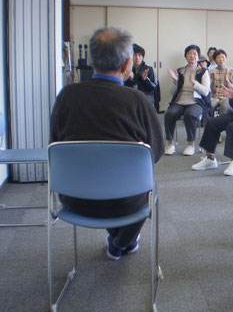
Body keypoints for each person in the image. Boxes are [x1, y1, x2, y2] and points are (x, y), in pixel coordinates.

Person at [50, 27, 164, 261]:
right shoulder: (138, 101)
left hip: (73, 198)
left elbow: (55, 144)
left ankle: (122, 241)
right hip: (126, 202)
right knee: (147, 186)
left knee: (122, 184)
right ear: (126, 65)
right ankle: (122, 242)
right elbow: (157, 152)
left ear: (92, 60)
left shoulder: (66, 97)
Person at [164, 45, 211, 156]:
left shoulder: (203, 72)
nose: (192, 56)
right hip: (181, 101)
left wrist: (194, 82)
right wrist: (175, 82)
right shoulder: (180, 71)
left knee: (190, 114)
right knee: (169, 114)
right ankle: (170, 143)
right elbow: (173, 92)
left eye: (195, 54)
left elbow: (205, 92)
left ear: (198, 56)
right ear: (185, 56)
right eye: (189, 53)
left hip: (196, 101)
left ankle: (191, 144)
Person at [124, 43, 157, 108]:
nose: (137, 58)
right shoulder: (127, 68)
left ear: (143, 57)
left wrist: (144, 79)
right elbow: (124, 85)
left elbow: (152, 87)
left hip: (146, 95)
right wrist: (131, 79)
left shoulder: (149, 69)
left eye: (139, 55)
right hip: (130, 95)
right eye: (135, 55)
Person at [209, 49, 233, 115]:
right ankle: (210, 123)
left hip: (226, 96)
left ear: (226, 58)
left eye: (223, 57)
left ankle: (221, 123)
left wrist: (227, 79)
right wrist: (213, 80)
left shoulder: (232, 71)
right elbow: (210, 89)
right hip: (214, 96)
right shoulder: (211, 71)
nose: (221, 59)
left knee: (225, 106)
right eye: (218, 57)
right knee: (210, 105)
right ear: (215, 60)